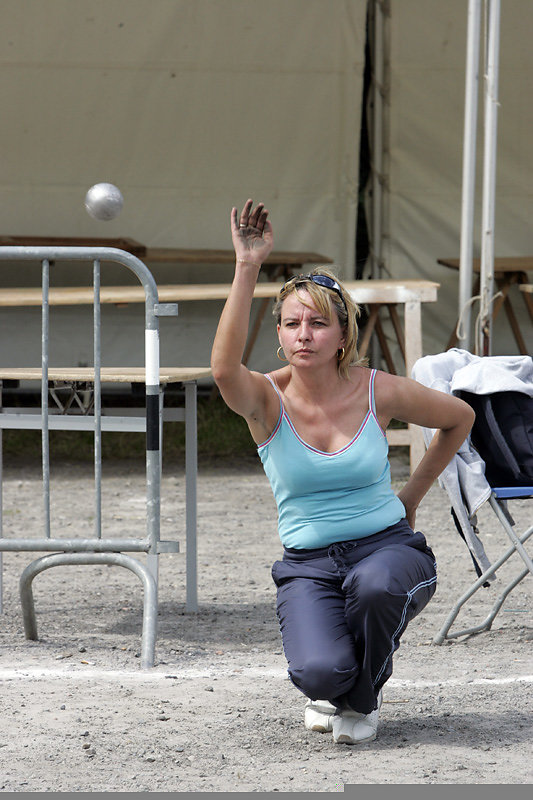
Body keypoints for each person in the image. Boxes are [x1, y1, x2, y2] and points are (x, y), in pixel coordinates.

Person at [210, 199, 475, 745]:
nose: (303, 333)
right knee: (318, 673)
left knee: (377, 589)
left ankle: (360, 701)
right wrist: (247, 265)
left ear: (342, 335)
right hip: (309, 564)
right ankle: (335, 686)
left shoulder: (380, 389)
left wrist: (414, 494)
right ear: (280, 335)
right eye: (291, 324)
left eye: (317, 323)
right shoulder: (266, 399)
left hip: (386, 549)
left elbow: (459, 419)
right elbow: (222, 367)